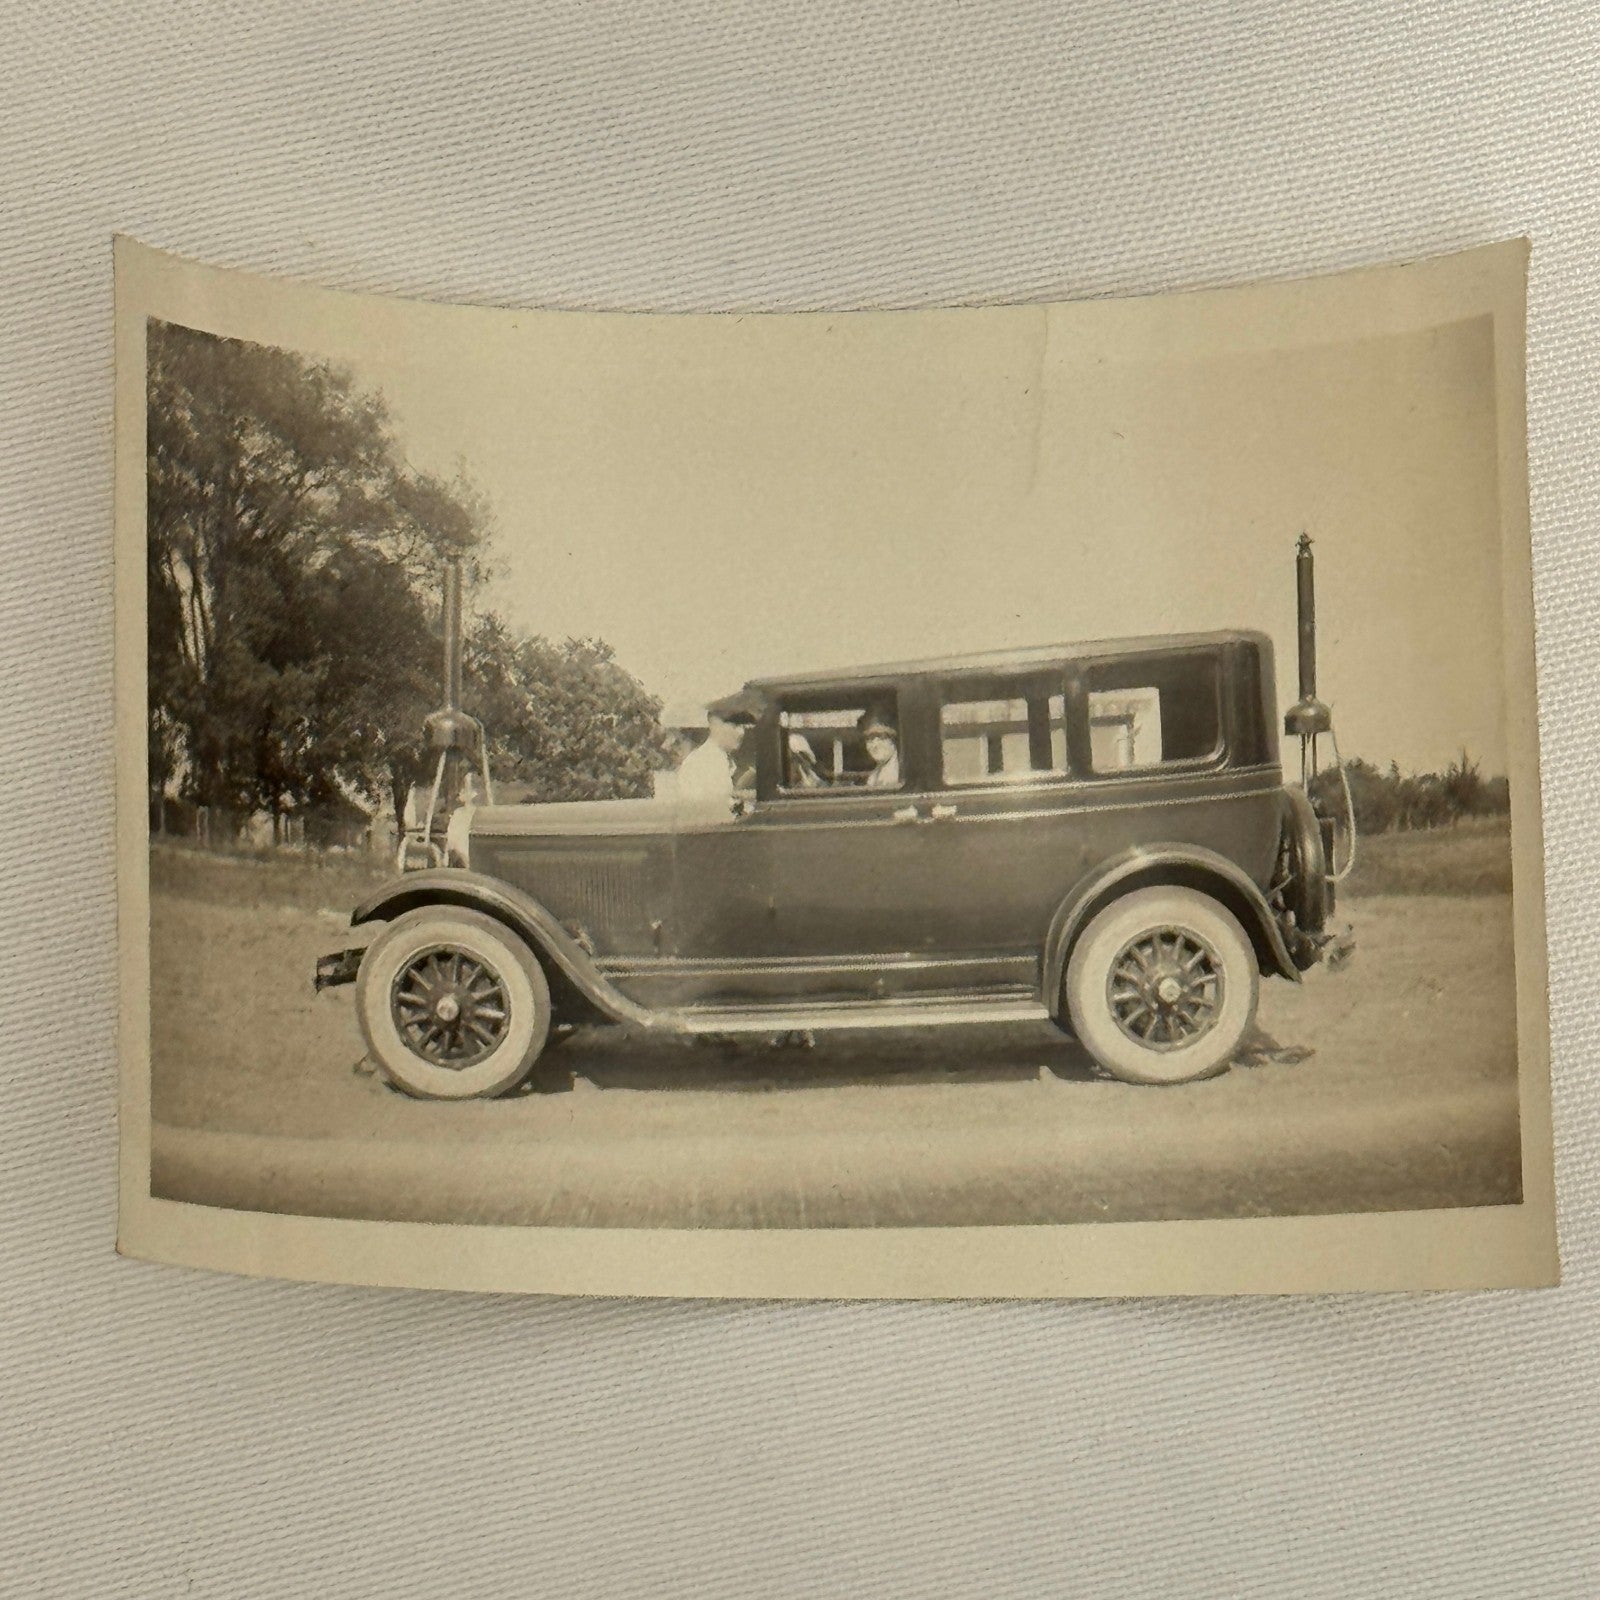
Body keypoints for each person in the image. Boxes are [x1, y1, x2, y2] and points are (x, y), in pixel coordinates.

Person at [673, 693, 761, 814]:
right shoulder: (699, 763)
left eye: (743, 725)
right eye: (735, 725)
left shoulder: (724, 761)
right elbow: (707, 811)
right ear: (714, 724)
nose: (741, 732)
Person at [859, 711, 901, 788]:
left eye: (881, 737)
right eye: (869, 739)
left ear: (894, 740)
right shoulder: (873, 776)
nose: (875, 745)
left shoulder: (901, 773)